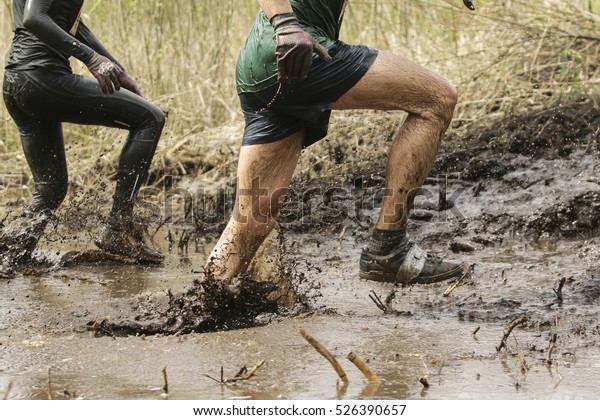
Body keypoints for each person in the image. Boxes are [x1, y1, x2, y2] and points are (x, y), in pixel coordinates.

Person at [204, 0, 466, 285]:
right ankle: (388, 247)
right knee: (438, 99)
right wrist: (285, 24)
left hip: (267, 64)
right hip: (297, 47)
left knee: (255, 216)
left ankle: (206, 298)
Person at [2, 0, 165, 264]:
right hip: (42, 79)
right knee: (150, 118)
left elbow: (72, 22)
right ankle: (117, 228)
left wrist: (115, 67)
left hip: (18, 83)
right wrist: (91, 58)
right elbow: (34, 18)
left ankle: (9, 254)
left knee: (50, 190)